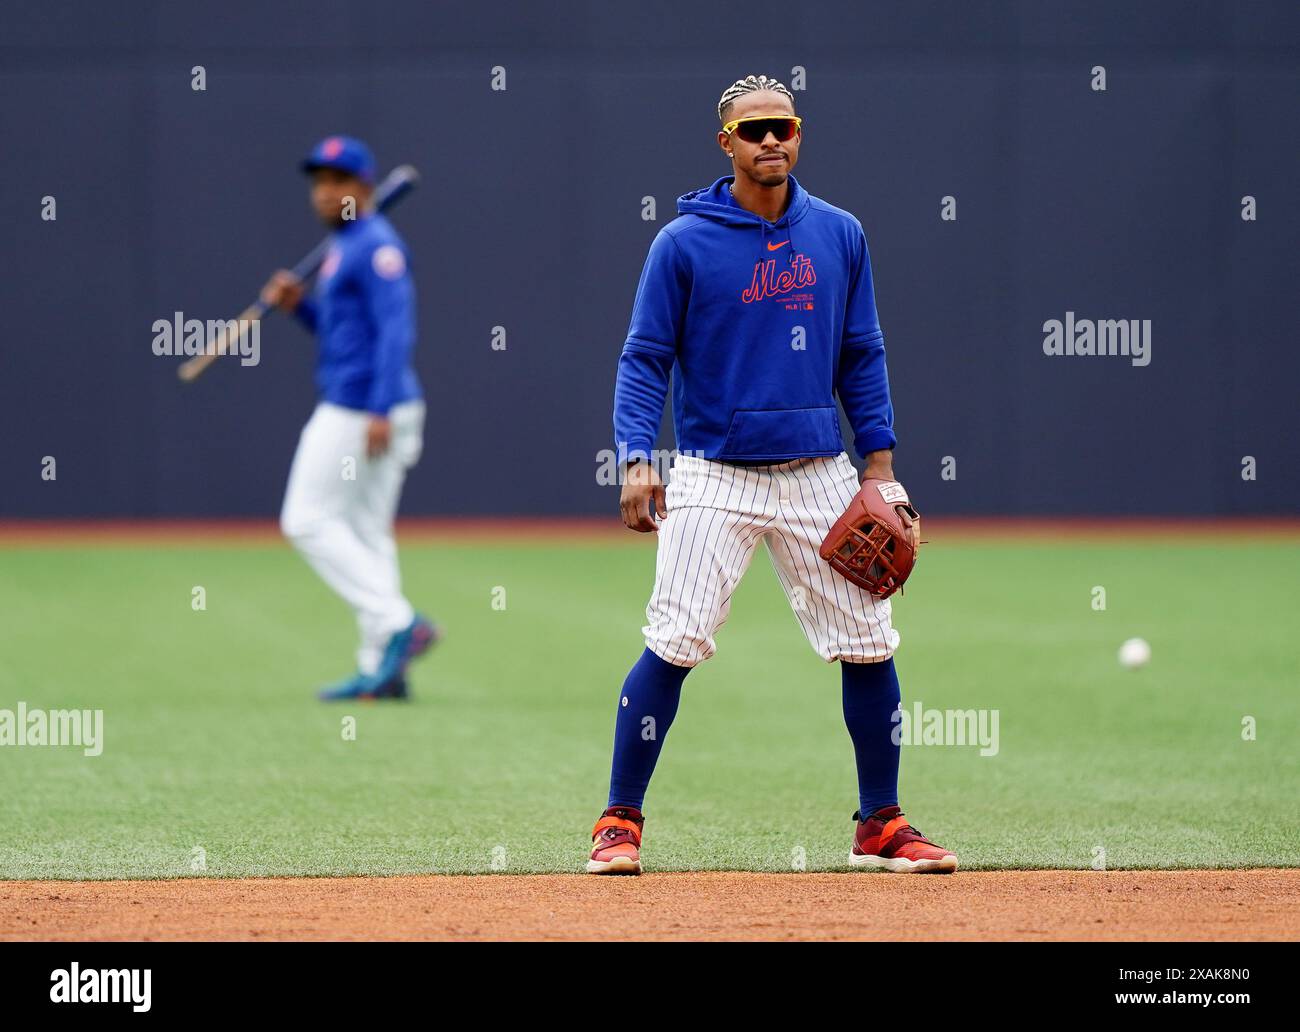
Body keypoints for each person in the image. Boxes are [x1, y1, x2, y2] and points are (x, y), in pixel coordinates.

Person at [588, 77, 957, 874]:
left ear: (799, 133)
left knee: (869, 643)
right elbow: (644, 358)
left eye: (781, 127)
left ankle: (880, 825)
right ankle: (619, 820)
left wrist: (881, 467)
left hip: (820, 470)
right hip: (714, 473)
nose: (769, 141)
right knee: (674, 641)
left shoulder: (839, 233)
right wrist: (637, 456)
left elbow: (863, 350)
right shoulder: (682, 243)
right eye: (752, 129)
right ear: (726, 142)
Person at [261, 135, 436, 701]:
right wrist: (299, 309)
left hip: (363, 408)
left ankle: (398, 623)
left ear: (363, 188)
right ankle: (382, 669)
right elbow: (344, 337)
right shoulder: (344, 246)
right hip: (368, 402)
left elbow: (395, 333)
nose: (323, 192)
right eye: (318, 182)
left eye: (337, 181)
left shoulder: (375, 244)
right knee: (366, 533)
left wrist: (379, 408)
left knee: (305, 521)